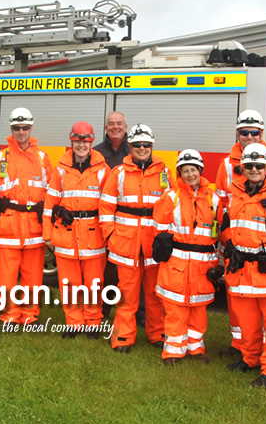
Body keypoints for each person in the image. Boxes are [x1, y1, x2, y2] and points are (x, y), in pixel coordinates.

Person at [215, 109, 266, 358]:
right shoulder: (226, 165)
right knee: (239, 299)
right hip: (237, 245)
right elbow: (221, 205)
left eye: (255, 132)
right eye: (244, 132)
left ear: (262, 133)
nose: (249, 136)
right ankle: (240, 346)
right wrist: (229, 244)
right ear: (237, 133)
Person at [99, 123, 173, 353]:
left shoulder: (164, 174)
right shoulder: (118, 173)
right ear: (129, 146)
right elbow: (105, 208)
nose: (142, 148)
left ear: (152, 146)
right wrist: (110, 235)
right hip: (125, 242)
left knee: (154, 294)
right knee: (126, 294)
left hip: (154, 244)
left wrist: (168, 238)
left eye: (146, 144)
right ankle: (123, 337)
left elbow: (172, 207)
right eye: (138, 144)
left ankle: (157, 334)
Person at [0, 108, 53, 328]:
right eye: (17, 128)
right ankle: (10, 316)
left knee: (33, 278)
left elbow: (52, 195)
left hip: (34, 229)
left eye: (25, 127)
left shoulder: (42, 158)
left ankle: (29, 316)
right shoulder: (0, 158)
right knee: (7, 278)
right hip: (7, 228)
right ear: (11, 129)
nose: (21, 132)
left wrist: (48, 229)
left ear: (31, 128)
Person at [152, 149, 221, 365]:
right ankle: (173, 352)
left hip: (203, 266)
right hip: (177, 263)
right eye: (185, 171)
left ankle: (196, 350)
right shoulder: (170, 197)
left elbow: (220, 232)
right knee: (175, 310)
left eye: (193, 170)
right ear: (179, 173)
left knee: (198, 311)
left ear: (200, 171)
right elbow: (159, 230)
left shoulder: (214, 199)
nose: (190, 174)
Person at [43, 121, 110, 338]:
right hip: (66, 232)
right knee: (69, 283)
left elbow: (110, 205)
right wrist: (47, 234)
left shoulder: (103, 170)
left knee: (94, 283)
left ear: (91, 142)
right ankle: (74, 323)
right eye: (77, 141)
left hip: (94, 234)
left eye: (85, 141)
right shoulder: (61, 169)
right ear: (71, 141)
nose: (81, 145)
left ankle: (92, 322)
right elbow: (49, 203)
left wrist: (109, 233)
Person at [94, 111, 142, 324]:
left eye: (119, 124)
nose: (115, 127)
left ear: (126, 126)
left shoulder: (133, 151)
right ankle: (103, 310)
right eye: (111, 124)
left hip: (128, 224)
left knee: (134, 271)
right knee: (107, 271)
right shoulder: (96, 153)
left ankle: (139, 313)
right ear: (106, 128)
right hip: (101, 219)